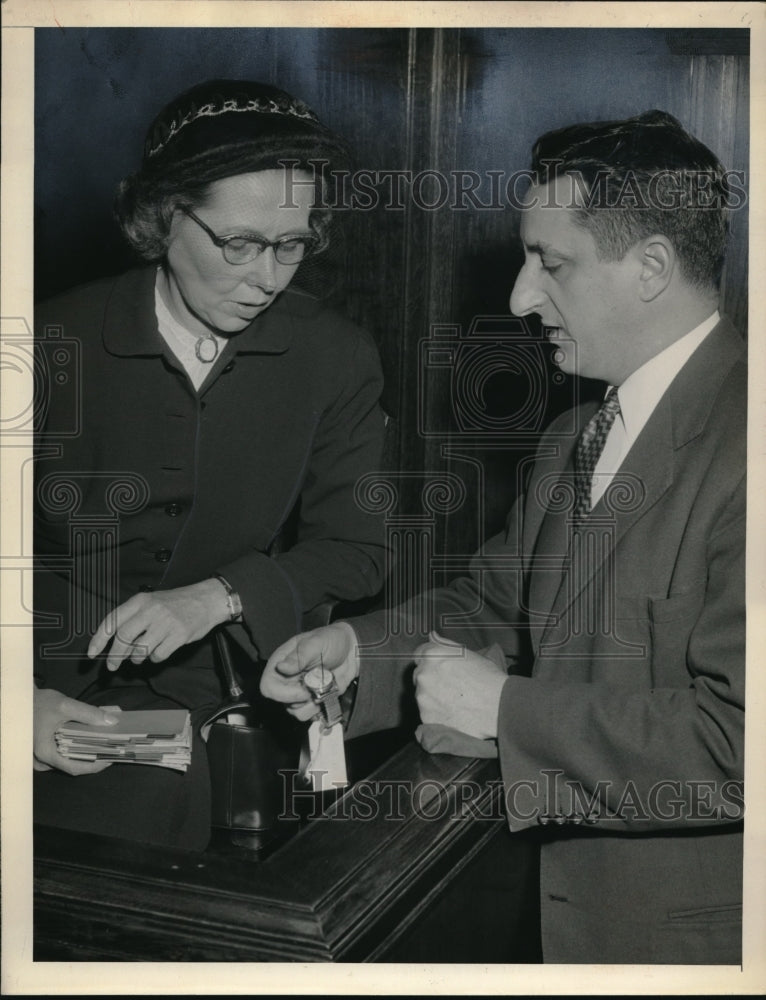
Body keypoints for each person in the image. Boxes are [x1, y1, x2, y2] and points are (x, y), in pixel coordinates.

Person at [261, 110, 746, 964]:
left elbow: (739, 748)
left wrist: (503, 709)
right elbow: (491, 607)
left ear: (652, 268)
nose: (520, 297)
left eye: (550, 263)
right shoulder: (575, 438)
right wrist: (356, 655)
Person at [33, 79, 387, 850]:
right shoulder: (43, 341)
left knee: (148, 804)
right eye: (240, 244)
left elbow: (360, 550)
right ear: (160, 218)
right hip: (29, 686)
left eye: (291, 245)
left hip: (210, 706)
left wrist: (221, 595)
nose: (268, 279)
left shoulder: (334, 356)